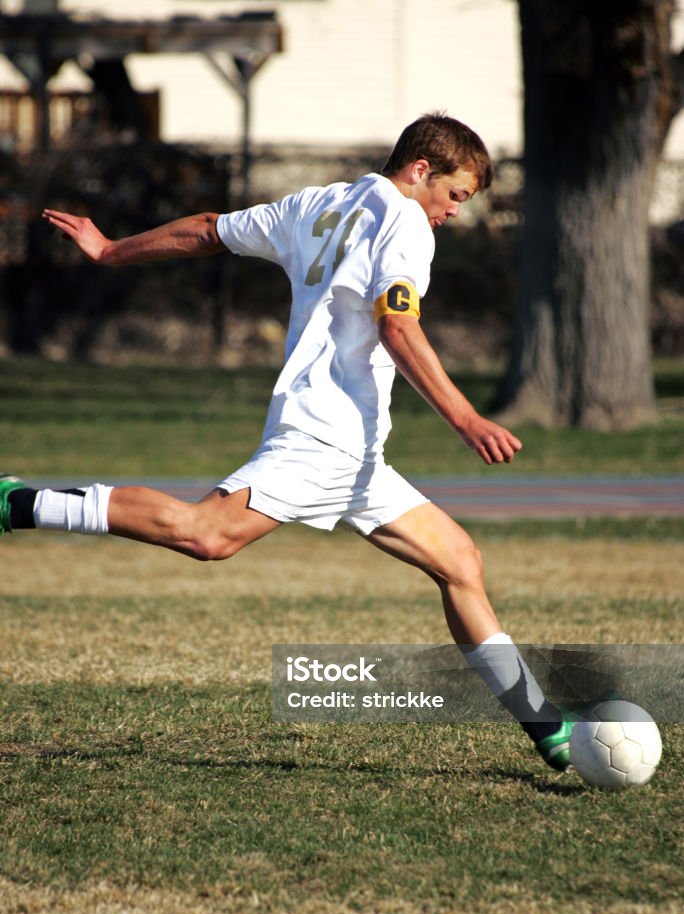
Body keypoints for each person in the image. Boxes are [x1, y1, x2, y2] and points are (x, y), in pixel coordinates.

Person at [1, 113, 574, 770]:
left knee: (460, 564)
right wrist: (467, 418)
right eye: (455, 195)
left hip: (358, 456)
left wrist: (110, 249)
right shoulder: (407, 224)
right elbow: (398, 326)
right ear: (422, 171)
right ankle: (19, 503)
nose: (452, 213)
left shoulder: (317, 203)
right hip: (321, 439)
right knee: (204, 534)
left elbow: (208, 230)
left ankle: (548, 730)